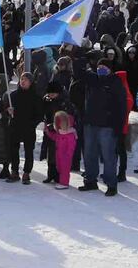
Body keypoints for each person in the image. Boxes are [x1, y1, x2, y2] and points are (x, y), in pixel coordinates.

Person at [78, 60, 128, 196]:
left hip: (107, 126)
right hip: (90, 124)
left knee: (108, 156)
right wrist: (75, 53)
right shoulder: (93, 79)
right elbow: (78, 72)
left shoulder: (115, 82)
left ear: (110, 69)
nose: (100, 69)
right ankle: (90, 180)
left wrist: (119, 127)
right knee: (89, 154)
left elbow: (122, 107)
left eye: (103, 67)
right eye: (99, 66)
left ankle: (111, 184)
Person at [45, 110, 77, 188]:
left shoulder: (70, 135)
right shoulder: (60, 133)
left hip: (66, 156)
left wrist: (68, 155)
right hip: (58, 155)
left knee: (64, 170)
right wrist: (48, 132)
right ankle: (61, 181)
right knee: (59, 168)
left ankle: (64, 183)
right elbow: (54, 137)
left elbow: (71, 147)